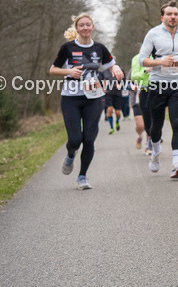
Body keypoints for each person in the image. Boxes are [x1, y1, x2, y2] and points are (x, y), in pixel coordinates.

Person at [48, 13, 124, 190]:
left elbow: (110, 64)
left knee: (89, 139)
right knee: (75, 139)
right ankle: (70, 155)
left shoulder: (99, 48)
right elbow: (52, 69)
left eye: (88, 25)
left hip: (94, 98)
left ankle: (82, 177)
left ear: (92, 27)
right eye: (81, 25)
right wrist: (69, 72)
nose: (85, 28)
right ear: (76, 28)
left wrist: (117, 67)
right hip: (71, 98)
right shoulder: (67, 48)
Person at [138, 0, 178, 178]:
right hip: (157, 84)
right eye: (169, 14)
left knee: (177, 122)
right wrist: (160, 61)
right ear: (162, 17)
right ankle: (155, 153)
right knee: (157, 126)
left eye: (176, 14)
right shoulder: (153, 34)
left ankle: (176, 164)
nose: (173, 17)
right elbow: (142, 60)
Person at [130, 52, 151, 152]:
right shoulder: (136, 61)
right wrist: (132, 86)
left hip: (152, 94)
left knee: (150, 122)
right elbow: (128, 81)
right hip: (137, 98)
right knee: (140, 125)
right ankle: (140, 135)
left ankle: (149, 145)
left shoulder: (156, 59)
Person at [103, 66, 124, 134]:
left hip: (117, 94)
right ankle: (111, 128)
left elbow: (125, 80)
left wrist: (120, 85)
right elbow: (101, 81)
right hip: (108, 94)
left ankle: (117, 121)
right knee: (109, 109)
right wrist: (103, 87)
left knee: (118, 113)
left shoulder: (120, 70)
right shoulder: (104, 72)